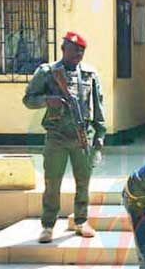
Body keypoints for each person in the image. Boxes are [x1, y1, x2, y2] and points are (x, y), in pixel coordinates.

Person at [23, 31, 106, 243]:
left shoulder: (89, 74)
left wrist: (100, 136)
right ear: (63, 49)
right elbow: (28, 99)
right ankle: (48, 225)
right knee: (52, 182)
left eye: (82, 50)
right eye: (74, 49)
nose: (79, 53)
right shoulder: (47, 72)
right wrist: (47, 100)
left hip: (82, 136)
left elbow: (98, 106)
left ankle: (81, 221)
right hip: (56, 136)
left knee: (83, 182)